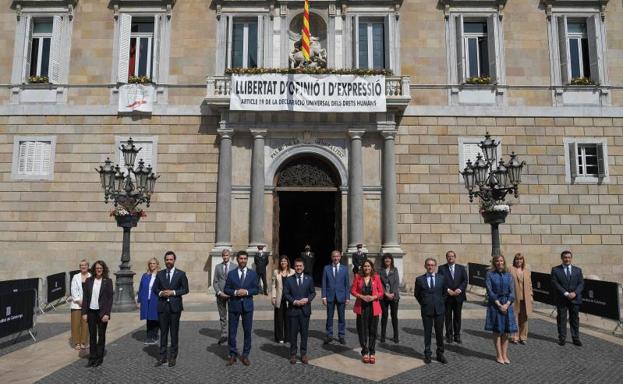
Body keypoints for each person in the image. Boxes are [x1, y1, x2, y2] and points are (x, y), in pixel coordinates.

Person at [153, 251, 190, 367]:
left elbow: (185, 289)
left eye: (171, 259)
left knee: (174, 333)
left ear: (174, 260)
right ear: (164, 261)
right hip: (162, 307)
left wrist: (173, 292)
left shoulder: (181, 274)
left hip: (175, 308)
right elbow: (155, 289)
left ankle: (173, 356)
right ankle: (162, 356)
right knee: (163, 333)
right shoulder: (160, 274)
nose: (169, 261)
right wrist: (161, 293)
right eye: (167, 260)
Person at [224, 251, 259, 366]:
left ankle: (245, 355)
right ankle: (232, 354)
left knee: (247, 332)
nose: (243, 260)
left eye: (245, 258)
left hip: (247, 307)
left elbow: (257, 289)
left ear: (247, 260)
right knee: (232, 332)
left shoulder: (253, 274)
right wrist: (235, 292)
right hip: (234, 305)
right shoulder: (231, 273)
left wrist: (247, 292)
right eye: (241, 258)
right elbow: (226, 289)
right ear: (237, 260)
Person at [485, 255, 518, 365]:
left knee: (506, 332)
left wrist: (507, 304)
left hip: (507, 304)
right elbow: (489, 291)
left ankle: (505, 354)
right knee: (497, 331)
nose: (499, 263)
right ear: (494, 263)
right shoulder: (490, 274)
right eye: (497, 261)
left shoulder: (508, 275)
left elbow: (512, 292)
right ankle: (499, 355)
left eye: (501, 261)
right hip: (495, 305)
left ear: (504, 262)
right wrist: (499, 305)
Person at [414, 258, 448, 364]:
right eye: (428, 265)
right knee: (427, 332)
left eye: (432, 265)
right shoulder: (419, 279)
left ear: (435, 266)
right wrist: (424, 303)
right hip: (426, 309)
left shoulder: (441, 278)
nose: (430, 267)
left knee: (439, 332)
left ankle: (440, 353)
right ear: (425, 266)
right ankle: (427, 353)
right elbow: (417, 294)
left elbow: (445, 293)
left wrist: (440, 302)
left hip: (439, 310)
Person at [283, 258, 316, 364]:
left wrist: (308, 299)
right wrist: (294, 301)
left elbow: (313, 292)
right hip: (293, 310)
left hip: (305, 311)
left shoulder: (309, 279)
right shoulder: (288, 280)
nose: (298, 268)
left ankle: (303, 354)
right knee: (293, 334)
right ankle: (293, 354)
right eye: (296, 266)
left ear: (303, 267)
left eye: (300, 266)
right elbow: (286, 294)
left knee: (304, 333)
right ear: (294, 267)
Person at [81, 260, 113, 367]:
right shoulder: (88, 281)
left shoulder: (108, 281)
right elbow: (85, 298)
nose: (98, 270)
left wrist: (107, 314)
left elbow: (110, 299)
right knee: (92, 336)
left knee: (101, 335)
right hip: (91, 312)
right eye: (97, 268)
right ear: (94, 269)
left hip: (102, 313)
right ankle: (92, 357)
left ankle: (99, 358)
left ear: (103, 269)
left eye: (100, 268)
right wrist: (84, 312)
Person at [351, 259, 383, 364]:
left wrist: (374, 297)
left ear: (372, 267)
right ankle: (365, 352)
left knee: (373, 330)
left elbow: (381, 292)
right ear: (362, 267)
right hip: (361, 307)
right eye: (365, 266)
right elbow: (353, 290)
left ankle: (372, 353)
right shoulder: (357, 277)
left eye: (368, 266)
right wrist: (361, 296)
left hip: (373, 307)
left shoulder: (376, 277)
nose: (367, 268)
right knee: (362, 330)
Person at [551, 250, 584, 347]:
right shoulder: (555, 270)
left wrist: (575, 293)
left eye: (569, 257)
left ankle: (575, 338)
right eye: (565, 257)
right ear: (562, 258)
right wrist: (565, 293)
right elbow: (554, 283)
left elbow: (581, 283)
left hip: (575, 298)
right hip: (562, 298)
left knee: (574, 319)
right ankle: (562, 338)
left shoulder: (578, 270)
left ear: (571, 258)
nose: (567, 259)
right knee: (561, 319)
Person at [437, 250, 467, 344]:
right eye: (449, 256)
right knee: (448, 317)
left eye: (452, 256)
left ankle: (457, 335)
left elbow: (465, 280)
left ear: (455, 257)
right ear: (446, 258)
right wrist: (448, 290)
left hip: (459, 296)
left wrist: (460, 289)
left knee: (457, 317)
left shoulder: (461, 268)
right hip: (447, 296)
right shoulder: (442, 268)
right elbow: (440, 280)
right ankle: (449, 335)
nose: (450, 258)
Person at [321, 250, 350, 345]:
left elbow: (347, 284)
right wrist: (323, 297)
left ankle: (341, 335)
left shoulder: (344, 269)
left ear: (340, 257)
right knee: (329, 317)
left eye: (337, 256)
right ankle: (329, 335)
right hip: (330, 296)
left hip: (341, 296)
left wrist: (347, 297)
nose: (336, 258)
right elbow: (324, 283)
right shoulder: (326, 268)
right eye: (334, 256)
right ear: (331, 257)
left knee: (342, 317)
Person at [213, 249, 236, 345]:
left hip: (231, 296)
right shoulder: (218, 267)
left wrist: (232, 293)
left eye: (227, 255)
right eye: (224, 255)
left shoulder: (235, 267)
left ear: (229, 256)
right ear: (222, 256)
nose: (225, 257)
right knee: (222, 316)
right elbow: (215, 282)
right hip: (220, 296)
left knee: (232, 315)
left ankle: (231, 334)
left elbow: (236, 281)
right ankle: (224, 334)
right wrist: (219, 292)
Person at [510, 252, 533, 344]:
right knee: (514, 317)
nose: (518, 261)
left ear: (523, 260)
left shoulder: (527, 271)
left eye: (520, 259)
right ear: (514, 260)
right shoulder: (510, 269)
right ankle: (514, 336)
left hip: (525, 297)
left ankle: (523, 337)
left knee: (524, 317)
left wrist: (531, 296)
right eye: (517, 259)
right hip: (514, 297)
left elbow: (530, 285)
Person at [272, 255, 295, 343]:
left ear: (287, 262)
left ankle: (288, 337)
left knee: (288, 318)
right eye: (282, 261)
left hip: (289, 298)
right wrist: (273, 297)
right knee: (279, 319)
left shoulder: (292, 272)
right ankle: (280, 337)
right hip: (279, 298)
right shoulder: (276, 272)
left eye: (285, 261)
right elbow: (274, 285)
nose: (283, 262)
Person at [137, 258, 160, 344]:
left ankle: (155, 336)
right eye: (150, 263)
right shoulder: (145, 275)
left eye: (154, 263)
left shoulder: (160, 275)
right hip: (146, 299)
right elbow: (141, 288)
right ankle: (149, 336)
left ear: (157, 265)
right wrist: (139, 301)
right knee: (148, 318)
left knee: (155, 318)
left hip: (156, 300)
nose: (152, 265)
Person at [379, 253, 400, 343]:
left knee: (394, 316)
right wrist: (385, 293)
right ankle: (383, 336)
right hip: (383, 297)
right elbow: (379, 284)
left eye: (389, 258)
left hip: (394, 296)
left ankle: (396, 336)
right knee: (384, 316)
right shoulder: (380, 270)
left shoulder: (395, 270)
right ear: (383, 260)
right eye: (385, 259)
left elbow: (396, 283)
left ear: (391, 260)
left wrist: (392, 294)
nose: (387, 260)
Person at [70, 260, 90, 351]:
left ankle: (84, 342)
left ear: (88, 266)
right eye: (81, 265)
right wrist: (79, 301)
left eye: (85, 265)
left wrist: (87, 302)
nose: (83, 267)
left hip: (89, 304)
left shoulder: (91, 276)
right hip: (77, 305)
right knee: (76, 324)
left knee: (86, 324)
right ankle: (77, 342)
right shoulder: (75, 277)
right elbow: (73, 290)